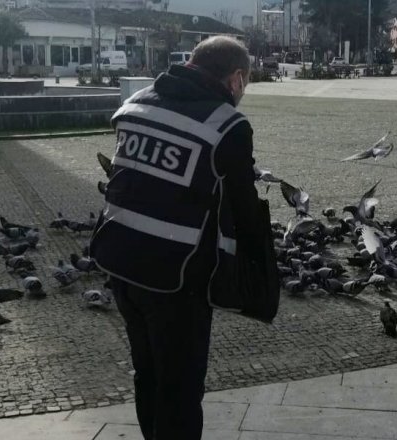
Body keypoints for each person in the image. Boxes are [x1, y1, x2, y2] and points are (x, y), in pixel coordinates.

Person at [90, 36, 261, 440]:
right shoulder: (227, 124)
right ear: (235, 78)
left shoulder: (137, 104)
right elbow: (245, 209)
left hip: (120, 265)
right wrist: (254, 276)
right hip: (176, 279)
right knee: (180, 392)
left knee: (147, 375)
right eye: (246, 83)